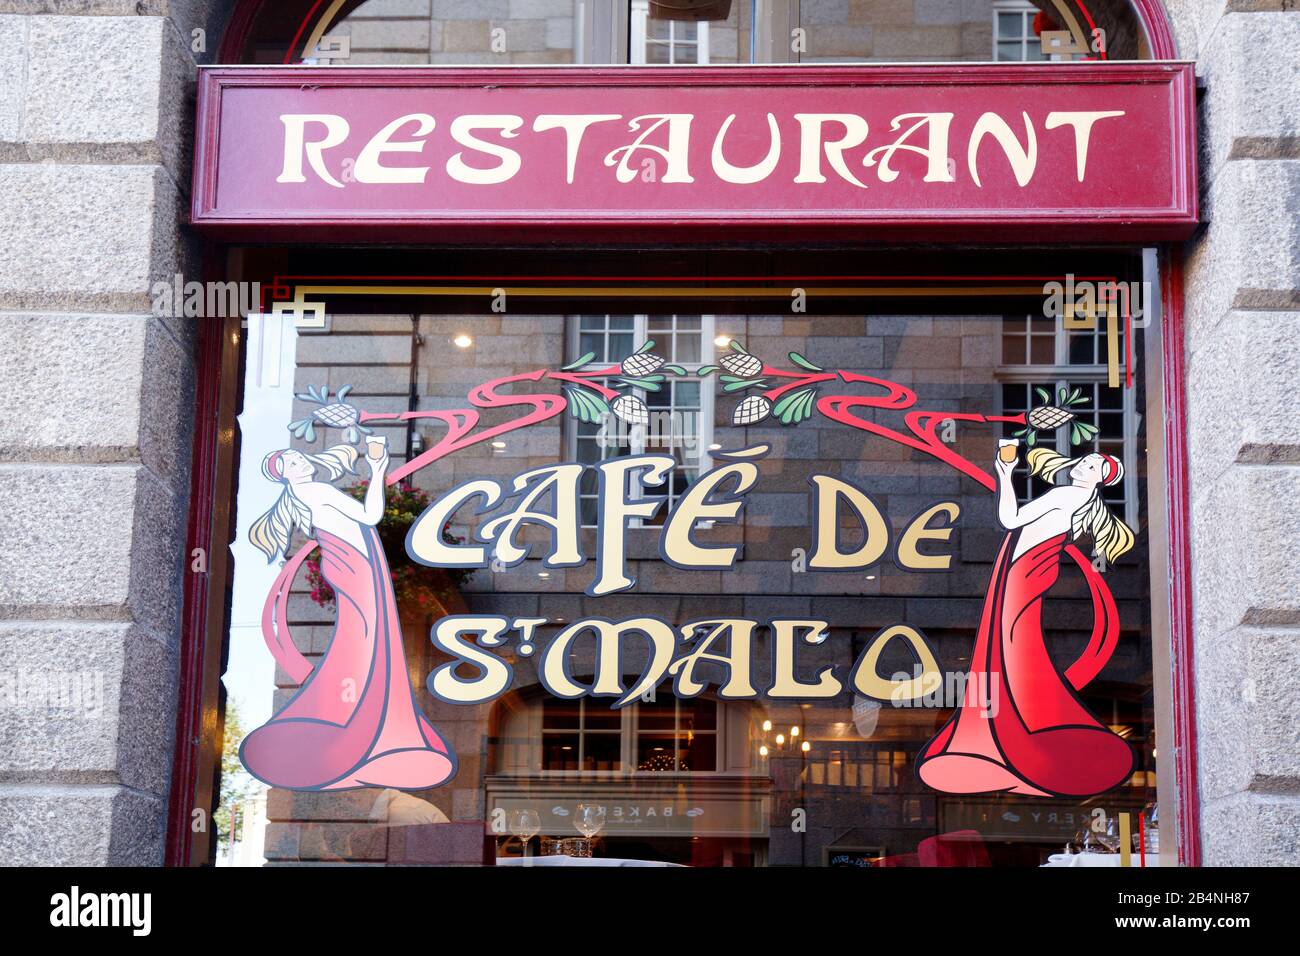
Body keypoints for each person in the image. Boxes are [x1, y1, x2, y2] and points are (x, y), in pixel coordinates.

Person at [916, 446, 1136, 798]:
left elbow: (1010, 520)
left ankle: (1008, 732)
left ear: (1100, 479)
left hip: (1024, 572)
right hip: (1030, 569)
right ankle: (1020, 724)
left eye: (1093, 464)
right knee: (1016, 644)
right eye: (1085, 460)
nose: (1084, 464)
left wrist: (1005, 471)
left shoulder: (1066, 494)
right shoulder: (1074, 499)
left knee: (1009, 644)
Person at [239, 440, 456, 791]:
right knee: (368, 641)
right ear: (285, 477)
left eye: (299, 456)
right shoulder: (318, 491)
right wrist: (377, 469)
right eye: (292, 462)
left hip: (350, 564)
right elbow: (370, 517)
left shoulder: (309, 494)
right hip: (355, 565)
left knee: (362, 640)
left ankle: (368, 725)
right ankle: (369, 728)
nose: (302, 461)